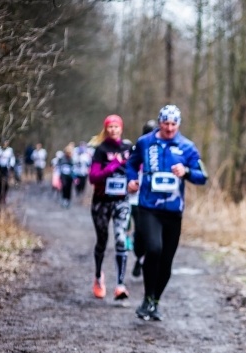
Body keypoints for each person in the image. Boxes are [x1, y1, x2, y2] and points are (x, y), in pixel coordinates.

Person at [126, 105, 208, 320]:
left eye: (173, 124)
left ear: (178, 124)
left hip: (173, 212)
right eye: (166, 123)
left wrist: (186, 171)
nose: (169, 128)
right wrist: (131, 180)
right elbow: (131, 163)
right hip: (149, 207)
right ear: (159, 122)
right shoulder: (145, 142)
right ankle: (146, 297)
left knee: (167, 261)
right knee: (154, 249)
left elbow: (202, 176)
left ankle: (154, 302)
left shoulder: (187, 146)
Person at [88, 115, 133, 300]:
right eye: (110, 127)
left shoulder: (128, 148)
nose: (113, 130)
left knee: (121, 239)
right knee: (102, 241)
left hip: (121, 201)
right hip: (101, 202)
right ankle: (98, 276)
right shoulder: (101, 150)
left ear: (121, 128)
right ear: (106, 129)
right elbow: (93, 177)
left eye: (116, 126)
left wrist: (133, 181)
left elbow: (134, 169)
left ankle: (120, 285)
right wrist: (114, 164)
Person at [129, 119, 158, 278]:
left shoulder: (161, 149)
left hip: (154, 199)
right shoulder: (138, 148)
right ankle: (139, 256)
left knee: (151, 233)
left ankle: (144, 260)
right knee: (139, 232)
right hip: (136, 199)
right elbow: (129, 167)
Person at [0, 139, 15, 207]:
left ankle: (5, 196)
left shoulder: (10, 150)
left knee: (6, 183)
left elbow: (12, 158)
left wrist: (11, 166)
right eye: (4, 143)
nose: (5, 144)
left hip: (6, 168)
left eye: (6, 143)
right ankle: (0, 197)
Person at [58, 143, 76, 208]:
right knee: (64, 188)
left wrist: (74, 177)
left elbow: (73, 169)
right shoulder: (62, 159)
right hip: (63, 176)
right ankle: (64, 199)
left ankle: (68, 200)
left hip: (70, 176)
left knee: (69, 188)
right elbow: (59, 167)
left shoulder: (72, 159)